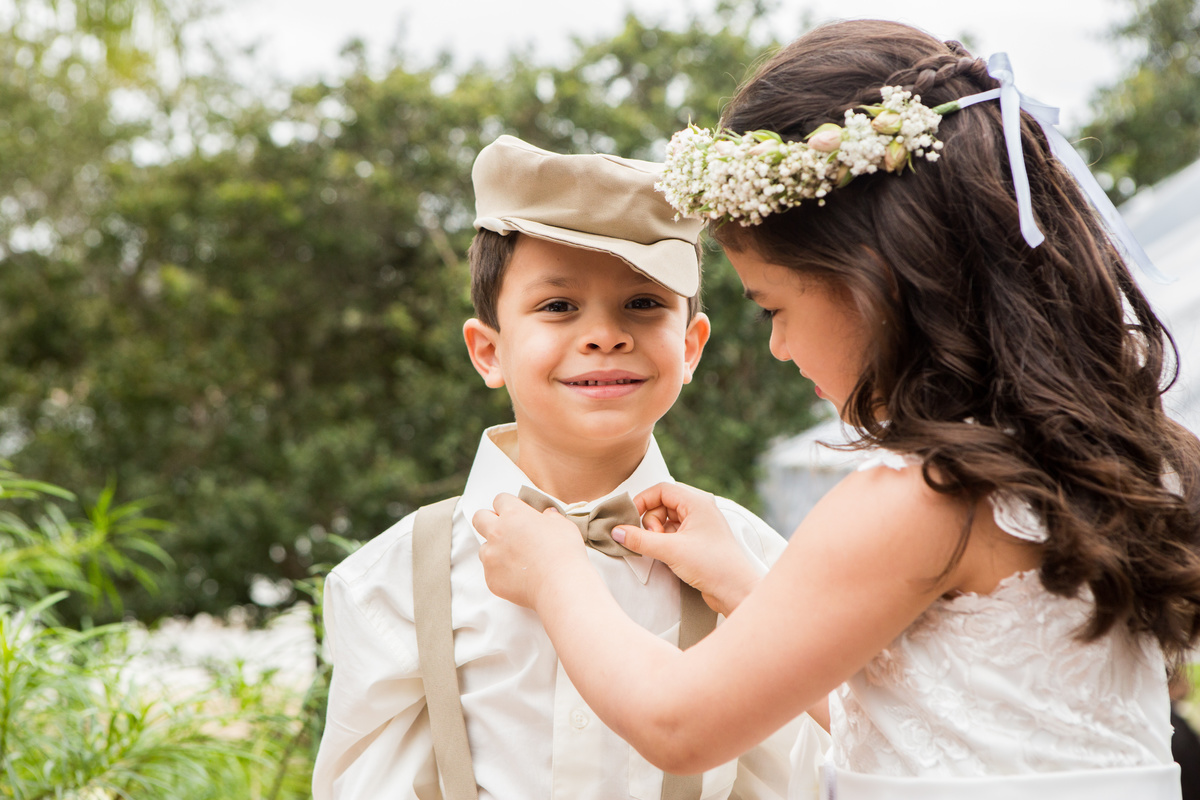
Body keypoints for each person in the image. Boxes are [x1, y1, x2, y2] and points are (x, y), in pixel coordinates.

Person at [472, 20, 1200, 800]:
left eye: (772, 308)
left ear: (876, 280)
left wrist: (554, 576)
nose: (780, 348)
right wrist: (742, 585)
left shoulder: (924, 500)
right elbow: (915, 713)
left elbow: (678, 725)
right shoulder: (1126, 461)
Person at [311, 134, 829, 800]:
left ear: (692, 346)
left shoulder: (754, 565)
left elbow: (797, 781)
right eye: (558, 306)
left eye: (644, 303)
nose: (605, 334)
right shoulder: (391, 583)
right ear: (488, 351)